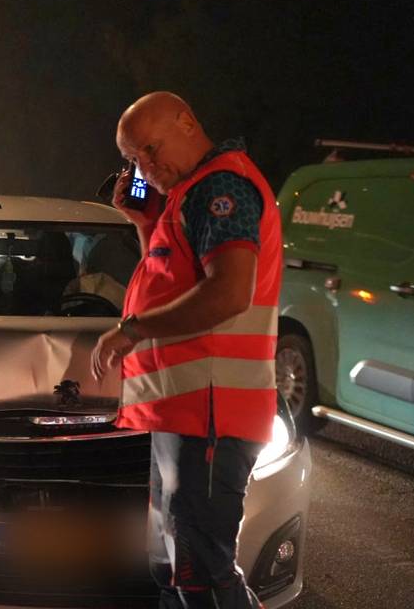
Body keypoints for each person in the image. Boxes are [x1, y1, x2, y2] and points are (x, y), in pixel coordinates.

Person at [92, 92, 283, 609]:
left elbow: (227, 293)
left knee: (200, 572)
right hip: (186, 414)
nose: (145, 167)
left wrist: (130, 330)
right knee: (174, 568)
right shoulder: (185, 197)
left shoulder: (220, 188)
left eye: (150, 150)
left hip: (211, 416)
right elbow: (173, 281)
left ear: (187, 121)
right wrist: (142, 223)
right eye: (133, 160)